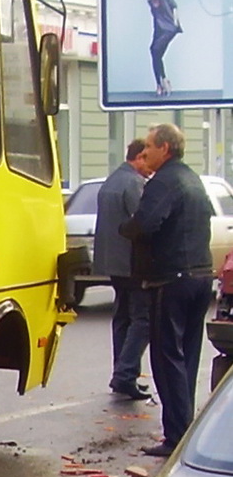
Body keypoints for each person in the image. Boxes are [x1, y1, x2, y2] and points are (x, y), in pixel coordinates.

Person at [119, 123, 213, 457]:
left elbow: (147, 223)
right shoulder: (192, 179)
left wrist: (125, 227)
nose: (145, 153)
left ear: (165, 149)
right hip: (201, 277)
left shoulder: (164, 182)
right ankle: (187, 432)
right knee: (186, 356)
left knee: (166, 357)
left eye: (149, 147)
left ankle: (176, 436)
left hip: (171, 280)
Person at [94, 139, 152, 400]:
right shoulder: (133, 183)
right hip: (132, 263)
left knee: (123, 317)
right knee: (142, 318)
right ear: (138, 157)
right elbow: (142, 222)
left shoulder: (112, 180)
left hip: (114, 263)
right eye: (147, 160)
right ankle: (125, 374)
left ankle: (121, 372)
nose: (150, 168)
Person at [138, 0, 182, 97]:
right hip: (158, 28)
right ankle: (161, 82)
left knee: (155, 51)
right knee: (155, 53)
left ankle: (162, 82)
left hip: (168, 28)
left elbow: (174, 7)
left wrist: (175, 22)